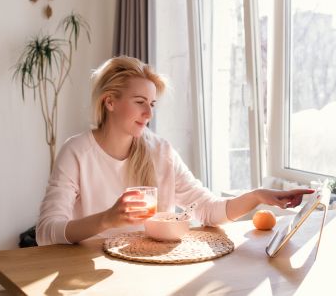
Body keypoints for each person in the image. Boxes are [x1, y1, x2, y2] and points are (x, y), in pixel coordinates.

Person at [36, 56, 314, 245]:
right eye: (139, 102)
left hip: (153, 268)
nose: (148, 113)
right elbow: (46, 232)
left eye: (152, 104)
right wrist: (107, 219)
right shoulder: (77, 152)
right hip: (90, 273)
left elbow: (207, 209)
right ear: (110, 102)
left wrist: (257, 196)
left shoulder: (161, 152)